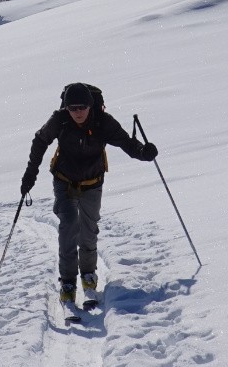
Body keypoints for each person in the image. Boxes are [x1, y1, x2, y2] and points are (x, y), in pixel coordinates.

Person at [20, 82, 158, 305]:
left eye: (81, 107)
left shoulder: (103, 121)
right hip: (64, 181)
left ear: (90, 105)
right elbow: (40, 140)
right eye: (72, 108)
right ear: (66, 108)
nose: (77, 113)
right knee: (68, 226)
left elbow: (126, 142)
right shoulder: (60, 119)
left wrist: (144, 152)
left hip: (93, 182)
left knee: (89, 229)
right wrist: (30, 175)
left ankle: (88, 274)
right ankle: (67, 280)